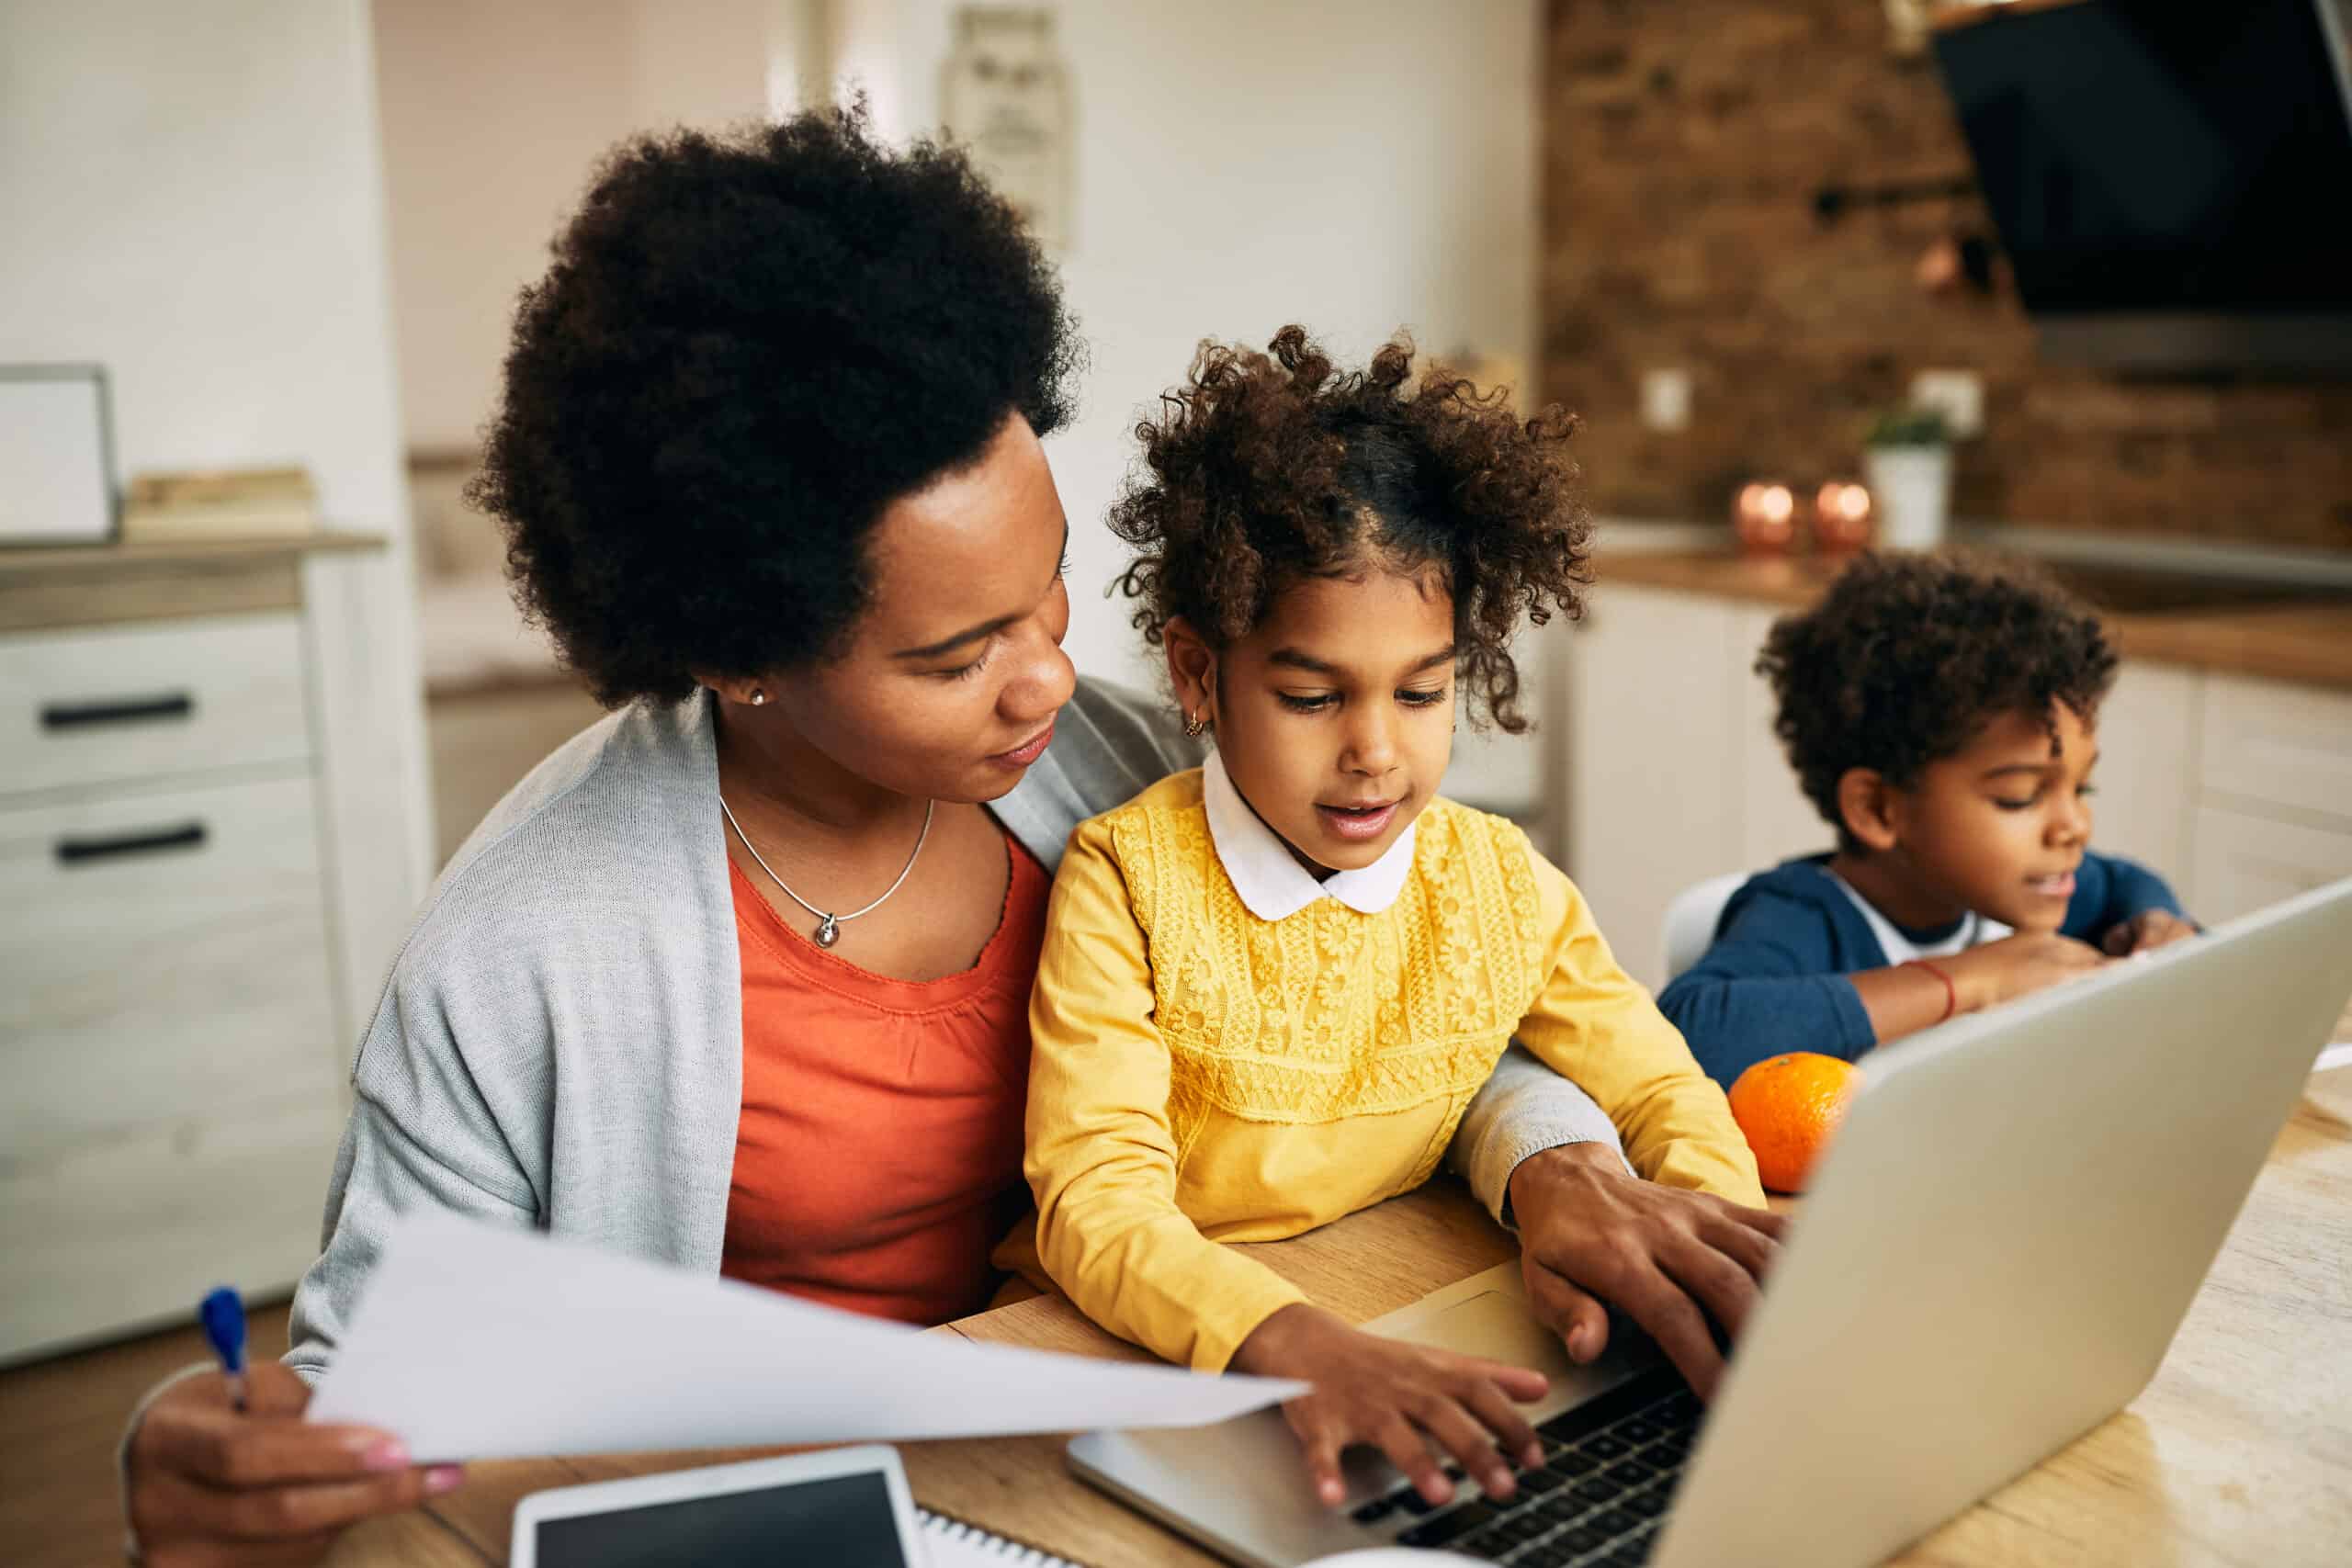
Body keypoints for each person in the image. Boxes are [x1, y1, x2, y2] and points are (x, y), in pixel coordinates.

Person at [120, 111, 1768, 1565]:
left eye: (1046, 584)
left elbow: (1403, 998)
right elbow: (362, 1385)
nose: (1050, 671)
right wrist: (196, 1463)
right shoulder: (529, 946)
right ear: (737, 651)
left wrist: (1558, 1158)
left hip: (1141, 1451)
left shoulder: (1113, 768)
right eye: (954, 652)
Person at [1014, 327, 1774, 1512]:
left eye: (1422, 692)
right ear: (1199, 673)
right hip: (1165, 1352)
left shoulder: (1498, 881)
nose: (1376, 752)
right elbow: (1094, 1204)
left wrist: (1715, 1250)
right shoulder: (1129, 879)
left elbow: (1657, 1089)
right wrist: (1293, 1340)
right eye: (1313, 696)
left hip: (1406, 1293)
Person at [1657, 550, 2195, 1086]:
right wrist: (1979, 978)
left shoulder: (2026, 891)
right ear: (1877, 809)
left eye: (2083, 788)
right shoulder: (1803, 916)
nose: (2074, 826)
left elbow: (2127, 882)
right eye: (2020, 796)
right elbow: (1691, 1032)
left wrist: (2156, 923)